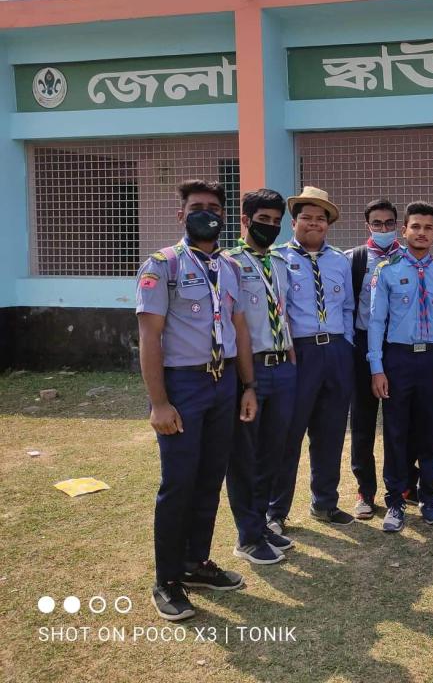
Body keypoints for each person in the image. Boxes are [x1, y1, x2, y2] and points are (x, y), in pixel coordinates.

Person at [136, 179, 257, 621]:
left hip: (223, 383)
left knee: (210, 479)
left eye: (212, 207)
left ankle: (195, 562)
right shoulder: (162, 265)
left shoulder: (229, 267)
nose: (205, 212)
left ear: (224, 216)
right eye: (196, 206)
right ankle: (166, 579)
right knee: (179, 483)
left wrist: (247, 386)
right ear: (181, 214)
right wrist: (159, 403)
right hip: (183, 386)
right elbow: (149, 337)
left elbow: (240, 329)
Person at [268, 187, 356, 534]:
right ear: (294, 222)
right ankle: (276, 512)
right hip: (298, 353)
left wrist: (346, 345)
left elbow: (347, 306)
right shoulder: (277, 259)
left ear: (328, 225)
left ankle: (325, 503)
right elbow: (278, 309)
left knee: (331, 432)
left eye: (321, 218)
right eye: (307, 217)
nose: (314, 223)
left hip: (335, 351)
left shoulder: (339, 260)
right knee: (289, 433)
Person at [369, 201, 433, 533]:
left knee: (431, 433)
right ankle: (395, 501)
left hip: (432, 359)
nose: (421, 233)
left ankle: (428, 498)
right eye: (415, 227)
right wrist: (377, 368)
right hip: (398, 359)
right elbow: (376, 323)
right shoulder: (387, 270)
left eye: (428, 228)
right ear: (404, 230)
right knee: (395, 431)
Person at [225, 189, 297, 566]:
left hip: (281, 366)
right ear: (245, 219)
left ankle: (262, 523)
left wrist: (291, 360)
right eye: (262, 220)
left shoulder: (280, 262)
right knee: (245, 456)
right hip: (247, 369)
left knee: (274, 451)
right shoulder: (229, 264)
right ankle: (247, 536)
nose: (269, 227)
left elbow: (282, 315)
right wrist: (245, 380)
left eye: (275, 221)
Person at [344, 198, 417, 520]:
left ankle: (401, 485)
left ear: (398, 226)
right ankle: (365, 491)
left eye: (389, 223)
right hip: (362, 347)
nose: (384, 229)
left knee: (401, 422)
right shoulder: (353, 260)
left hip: (397, 347)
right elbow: (345, 308)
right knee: (362, 422)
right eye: (377, 223)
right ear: (367, 225)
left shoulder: (410, 259)